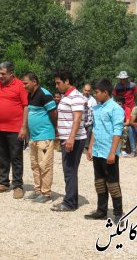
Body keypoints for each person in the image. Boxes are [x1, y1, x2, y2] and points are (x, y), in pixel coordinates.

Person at [85, 79, 125, 224]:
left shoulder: (116, 109)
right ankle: (101, 211)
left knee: (113, 183)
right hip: (97, 151)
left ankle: (118, 213)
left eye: (96, 92)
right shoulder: (96, 109)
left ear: (105, 92)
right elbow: (95, 129)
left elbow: (117, 132)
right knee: (99, 182)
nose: (95, 95)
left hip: (109, 152)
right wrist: (90, 147)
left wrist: (112, 152)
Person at [0, 61, 28, 200]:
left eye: (3, 74)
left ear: (11, 73)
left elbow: (26, 106)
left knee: (16, 157)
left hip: (15, 128)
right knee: (2, 156)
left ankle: (18, 186)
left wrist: (24, 126)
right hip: (0, 128)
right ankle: (4, 182)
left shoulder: (20, 86)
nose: (0, 76)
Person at [51, 69, 86, 212]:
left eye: (59, 83)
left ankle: (70, 203)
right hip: (69, 138)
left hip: (74, 139)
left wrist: (71, 138)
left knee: (70, 170)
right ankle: (71, 199)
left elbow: (77, 118)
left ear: (67, 81)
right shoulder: (67, 96)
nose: (57, 86)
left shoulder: (76, 97)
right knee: (69, 169)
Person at [22, 72, 57, 203]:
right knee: (35, 165)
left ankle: (46, 193)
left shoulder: (44, 94)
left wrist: (55, 128)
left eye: (26, 83)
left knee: (45, 165)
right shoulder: (30, 94)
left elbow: (53, 113)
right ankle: (38, 190)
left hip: (45, 136)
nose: (24, 86)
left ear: (34, 82)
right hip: (34, 137)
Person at [82, 84, 96, 151]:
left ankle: (86, 146)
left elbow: (94, 112)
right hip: (80, 120)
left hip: (88, 122)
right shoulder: (79, 97)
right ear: (83, 90)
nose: (87, 92)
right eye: (86, 90)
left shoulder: (93, 100)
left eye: (88, 91)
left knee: (90, 129)